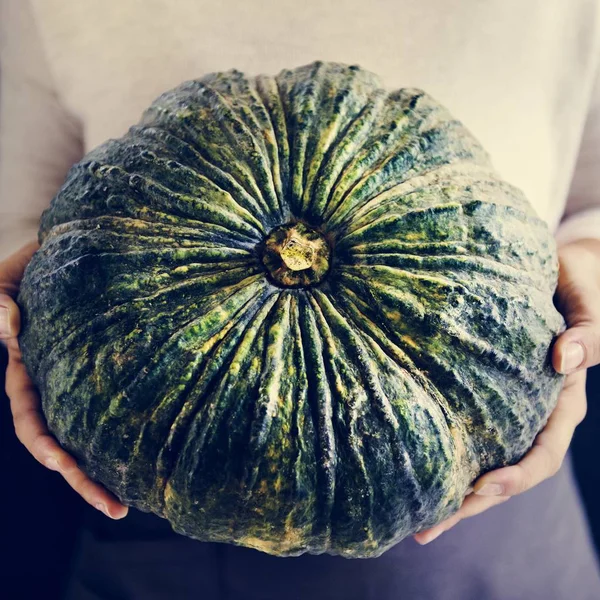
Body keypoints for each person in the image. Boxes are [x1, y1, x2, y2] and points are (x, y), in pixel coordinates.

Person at [1, 1, 600, 598]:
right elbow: (20, 201)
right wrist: (35, 308)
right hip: (169, 480)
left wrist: (588, 273)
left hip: (497, 480)